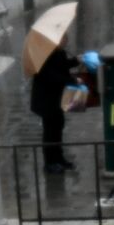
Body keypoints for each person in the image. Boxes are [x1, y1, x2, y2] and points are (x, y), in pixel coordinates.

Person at [30, 40, 78, 174]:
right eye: (63, 40)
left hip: (56, 99)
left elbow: (62, 65)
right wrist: (72, 80)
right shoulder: (43, 55)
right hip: (45, 99)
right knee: (50, 131)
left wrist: (75, 61)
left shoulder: (59, 52)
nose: (65, 42)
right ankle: (49, 163)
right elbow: (52, 76)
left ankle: (59, 158)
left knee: (58, 125)